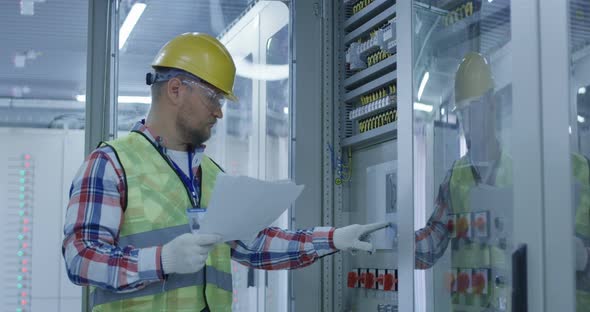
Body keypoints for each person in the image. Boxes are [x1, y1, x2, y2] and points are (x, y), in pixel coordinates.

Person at [62, 32, 388, 312]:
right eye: (213, 97)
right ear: (175, 90)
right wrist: (160, 260)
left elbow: (254, 245)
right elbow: (81, 257)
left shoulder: (211, 175)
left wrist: (334, 238)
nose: (219, 111)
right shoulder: (111, 164)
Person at [414, 52, 590, 311]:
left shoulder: (560, 170)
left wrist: (582, 256)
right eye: (462, 113)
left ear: (492, 105)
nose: (467, 122)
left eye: (473, 109)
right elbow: (432, 243)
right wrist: (394, 241)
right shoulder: (455, 177)